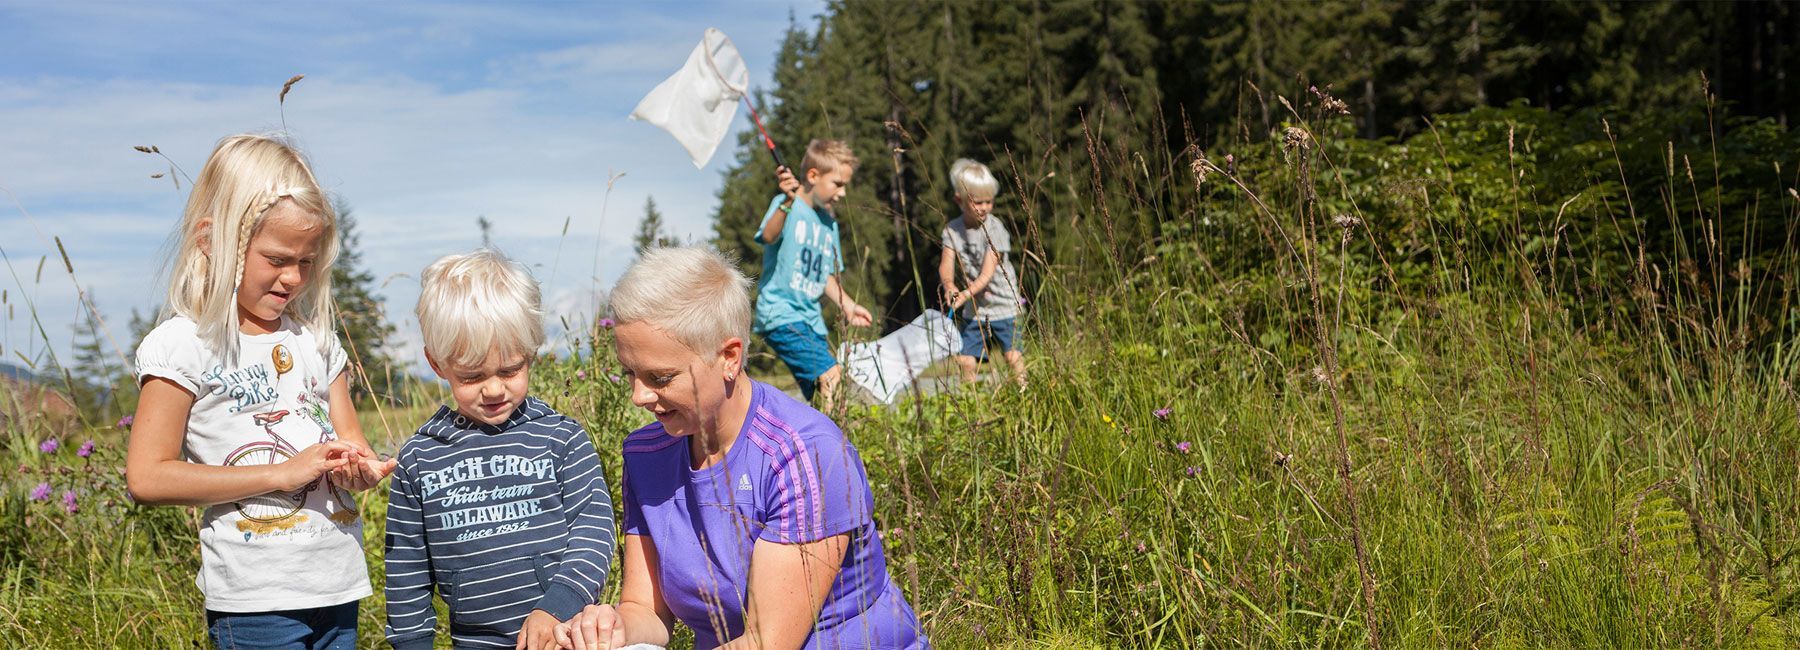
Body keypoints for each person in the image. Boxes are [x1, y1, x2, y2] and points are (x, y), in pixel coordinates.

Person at [554, 246, 926, 650]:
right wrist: (608, 629)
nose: (638, 396)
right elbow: (647, 611)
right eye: (630, 373)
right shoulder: (646, 454)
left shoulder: (804, 455)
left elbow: (768, 643)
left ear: (729, 357)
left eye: (660, 377)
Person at [127, 133, 396, 649]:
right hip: (256, 602)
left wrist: (363, 468)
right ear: (212, 239)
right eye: (276, 259)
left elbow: (353, 451)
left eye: (307, 262)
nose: (293, 277)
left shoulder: (317, 343)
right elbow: (147, 476)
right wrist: (282, 473)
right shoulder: (185, 345)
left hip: (337, 585)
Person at [383, 249, 616, 650]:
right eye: (472, 376)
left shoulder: (560, 439)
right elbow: (406, 571)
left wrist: (556, 607)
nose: (493, 389)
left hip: (564, 636)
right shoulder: (420, 457)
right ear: (437, 364)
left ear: (530, 353)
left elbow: (593, 531)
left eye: (509, 370)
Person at [754, 139, 873, 408]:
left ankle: (819, 438)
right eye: (838, 184)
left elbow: (826, 277)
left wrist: (849, 306)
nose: (842, 193)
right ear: (813, 176)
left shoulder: (828, 224)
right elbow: (769, 236)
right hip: (781, 313)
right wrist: (786, 202)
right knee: (830, 375)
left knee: (827, 392)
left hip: (811, 321)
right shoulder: (788, 206)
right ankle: (831, 445)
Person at [937, 158, 1026, 387]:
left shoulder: (995, 229)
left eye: (989, 201)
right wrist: (949, 286)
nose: (985, 207)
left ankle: (1025, 393)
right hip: (975, 310)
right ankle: (970, 400)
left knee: (1012, 356)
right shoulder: (952, 230)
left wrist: (964, 294)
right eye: (978, 202)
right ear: (960, 200)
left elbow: (986, 276)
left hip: (1005, 305)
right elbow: (946, 264)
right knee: (966, 360)